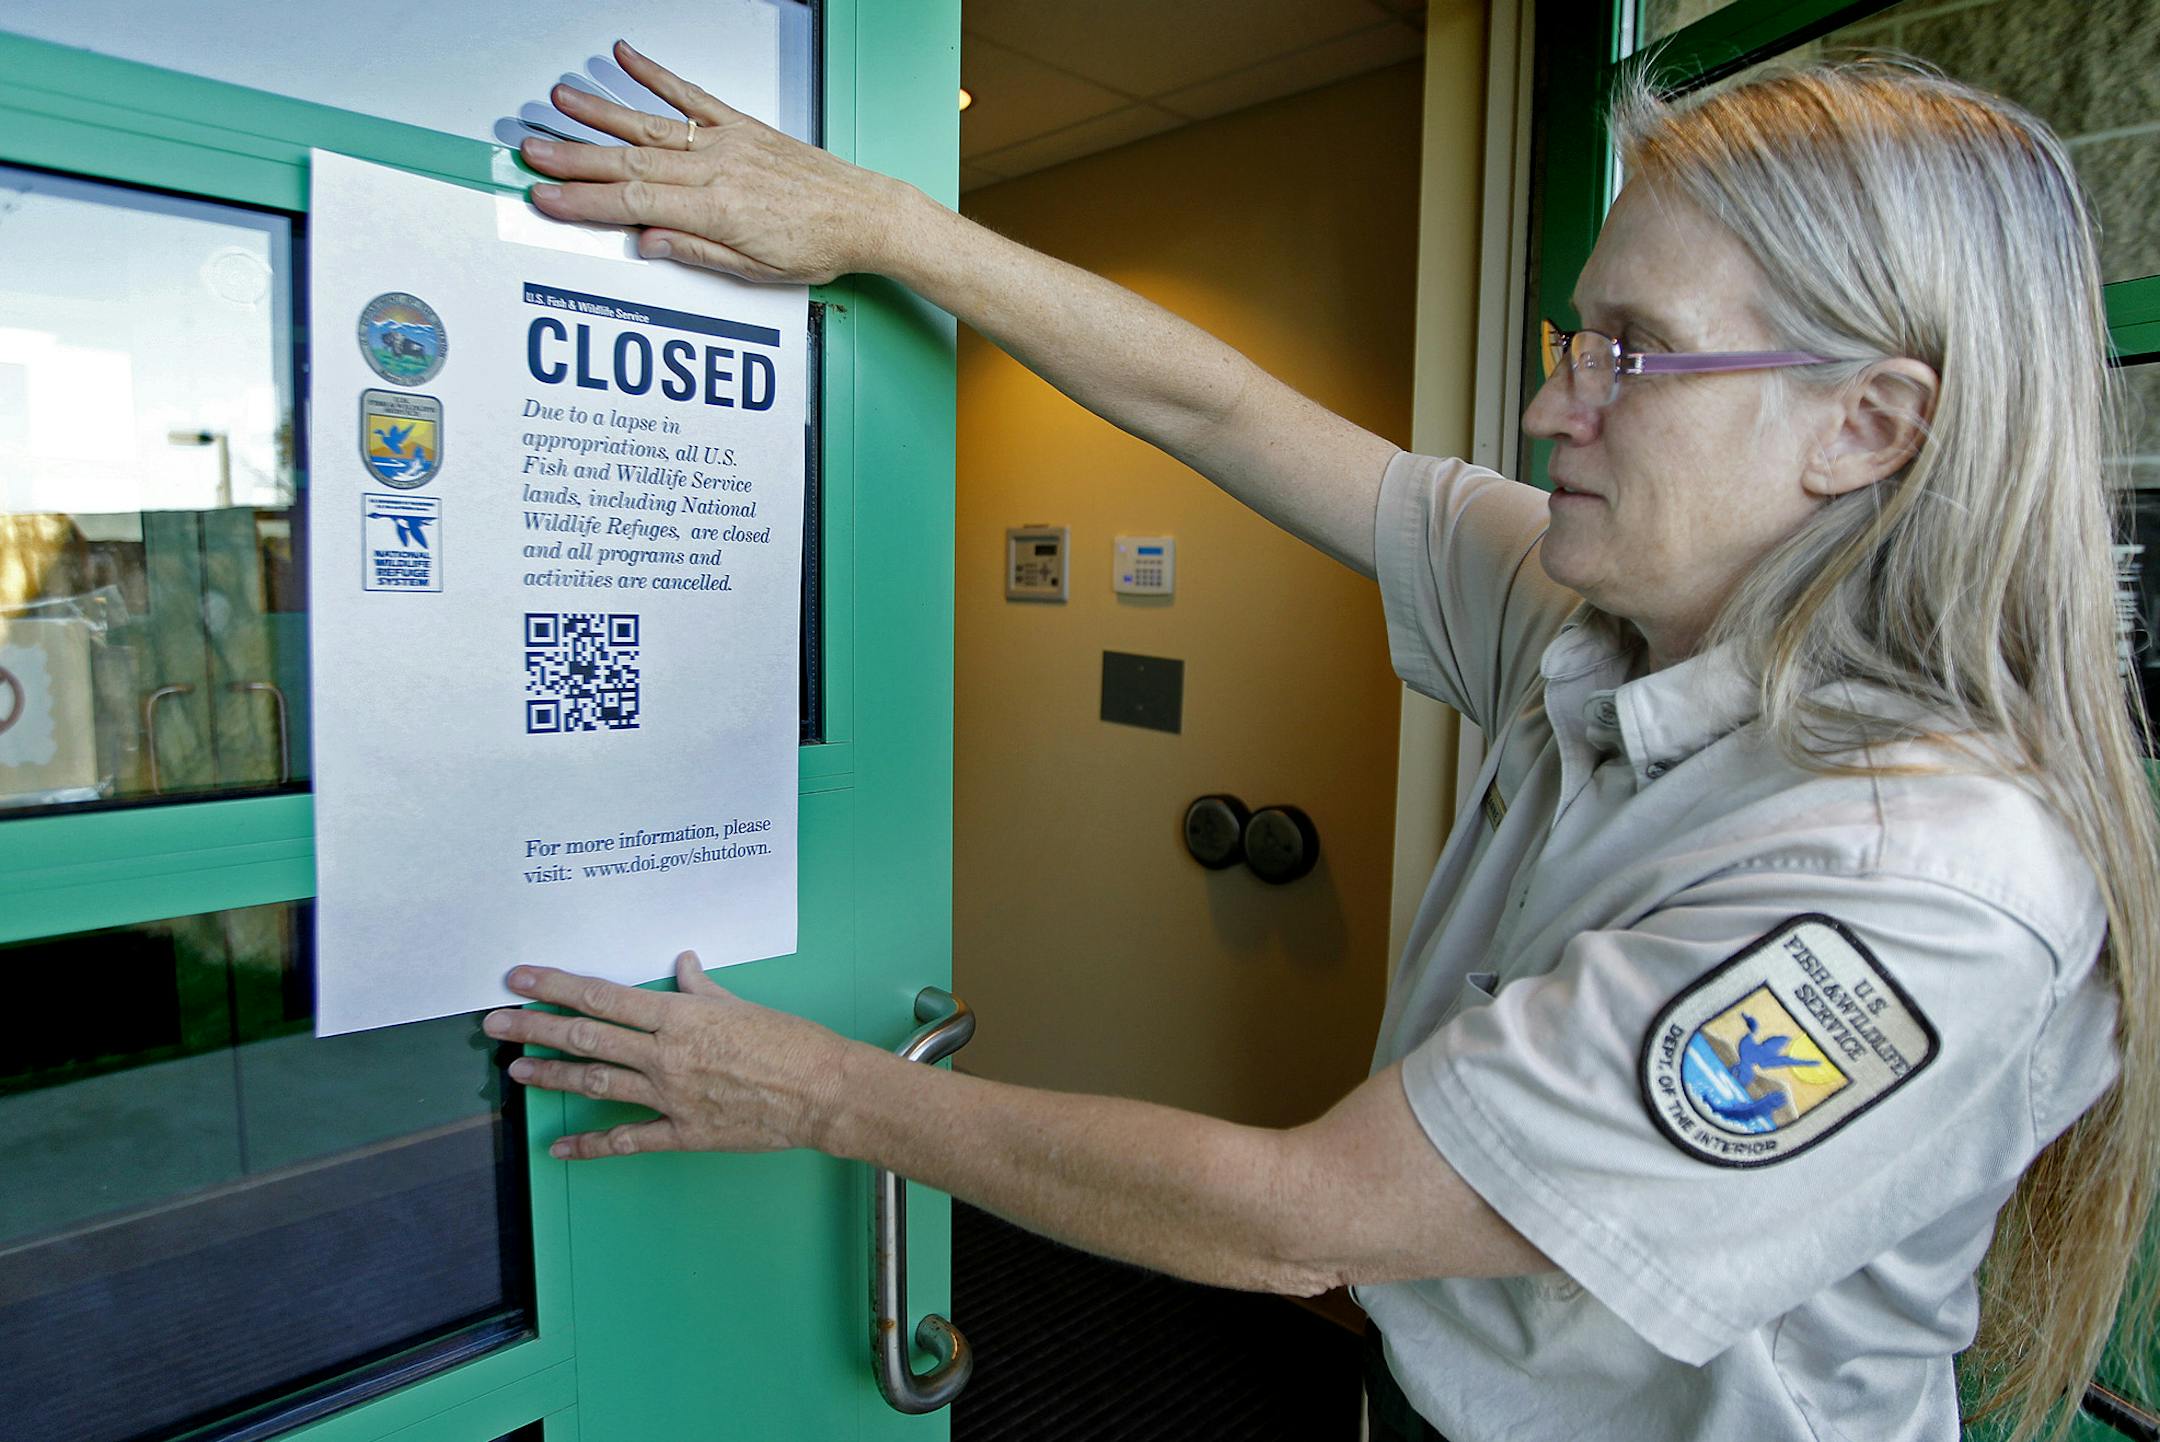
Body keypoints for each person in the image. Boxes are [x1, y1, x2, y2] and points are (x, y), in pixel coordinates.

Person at [481, 41, 2160, 1442]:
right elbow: (1221, 408)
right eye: (1577, 342)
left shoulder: (1921, 884)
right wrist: (888, 225)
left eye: (1634, 355)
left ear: (1865, 425)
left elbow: (1301, 1216)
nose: (1553, 407)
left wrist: (814, 1090)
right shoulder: (1605, 619)